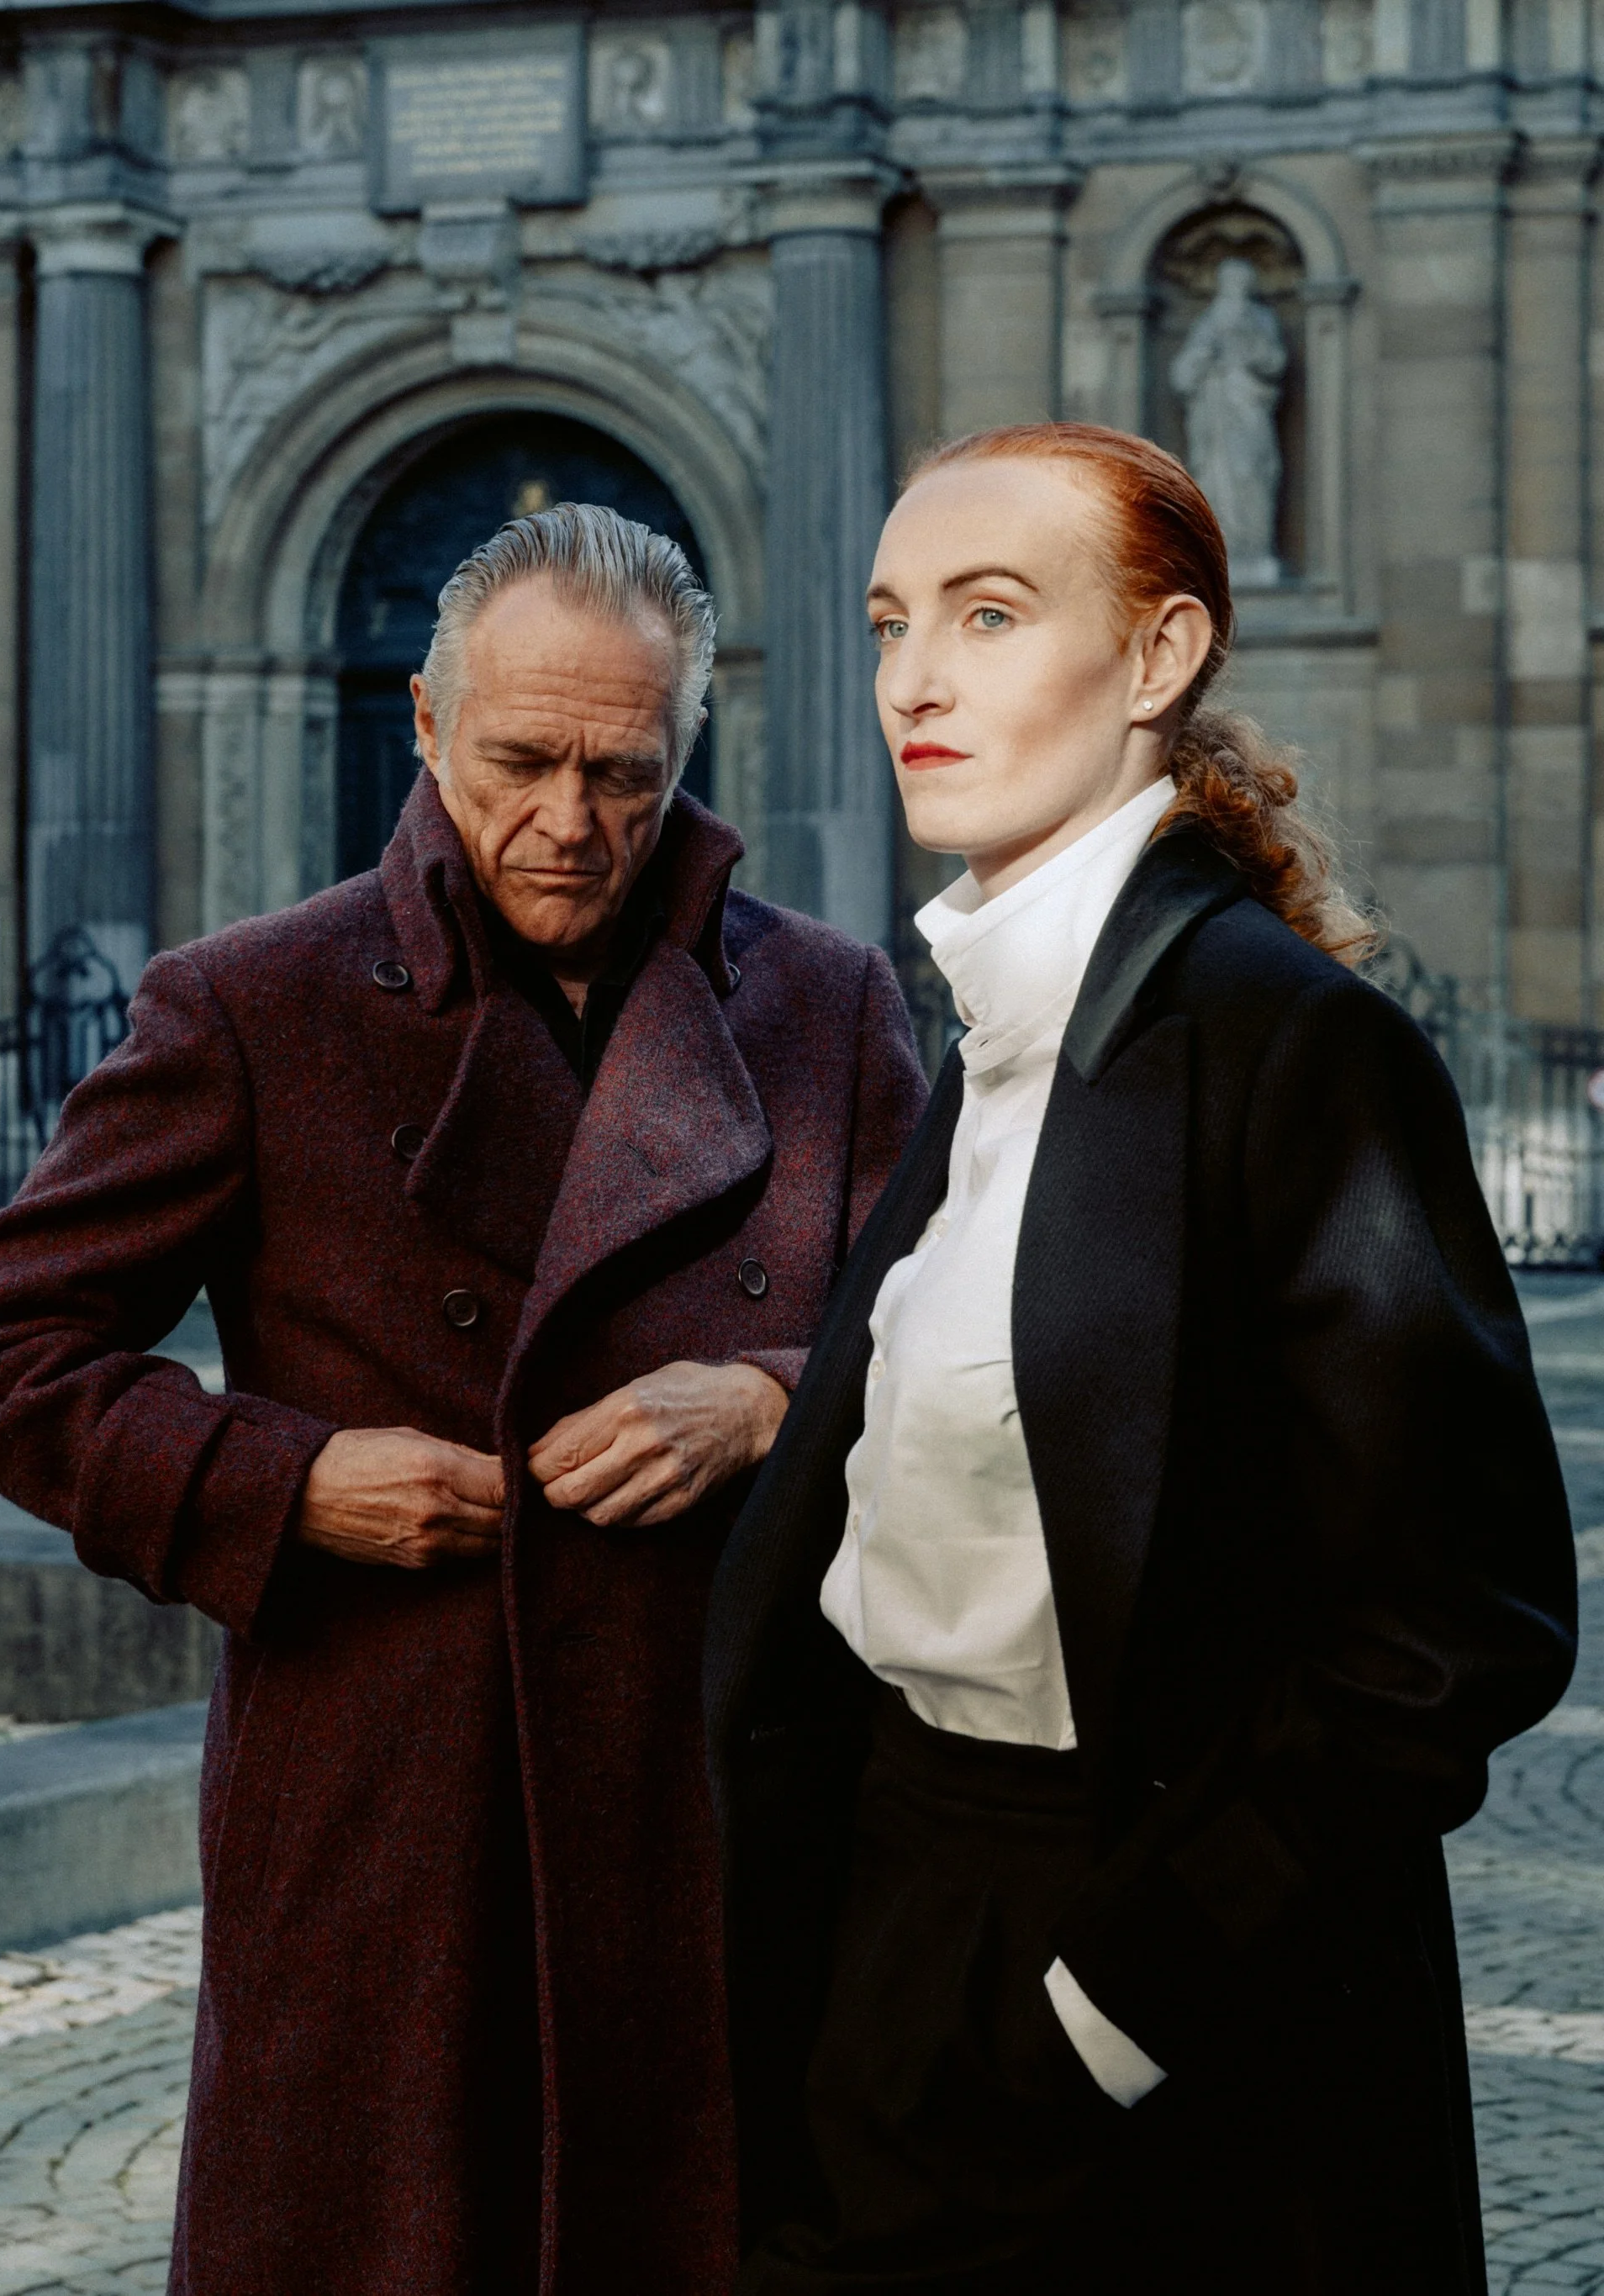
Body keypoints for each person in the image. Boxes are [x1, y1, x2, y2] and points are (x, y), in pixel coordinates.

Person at [0, 504, 926, 2294]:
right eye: (523, 761)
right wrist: (286, 1483)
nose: (571, 823)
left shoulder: (827, 1009)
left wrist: (771, 1402)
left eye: (623, 772)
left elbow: (950, 1350)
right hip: (384, 1828)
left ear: (684, 746)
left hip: (712, 1822)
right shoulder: (252, 1006)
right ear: (425, 730)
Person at [704, 425, 1577, 2296]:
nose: (913, 678)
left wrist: (1099, 2014)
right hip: (897, 1914)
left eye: (990, 614)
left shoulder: (1286, 1044)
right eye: (885, 625)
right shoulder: (1002, 1026)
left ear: (1160, 658)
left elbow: (1450, 1629)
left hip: (1142, 1988)